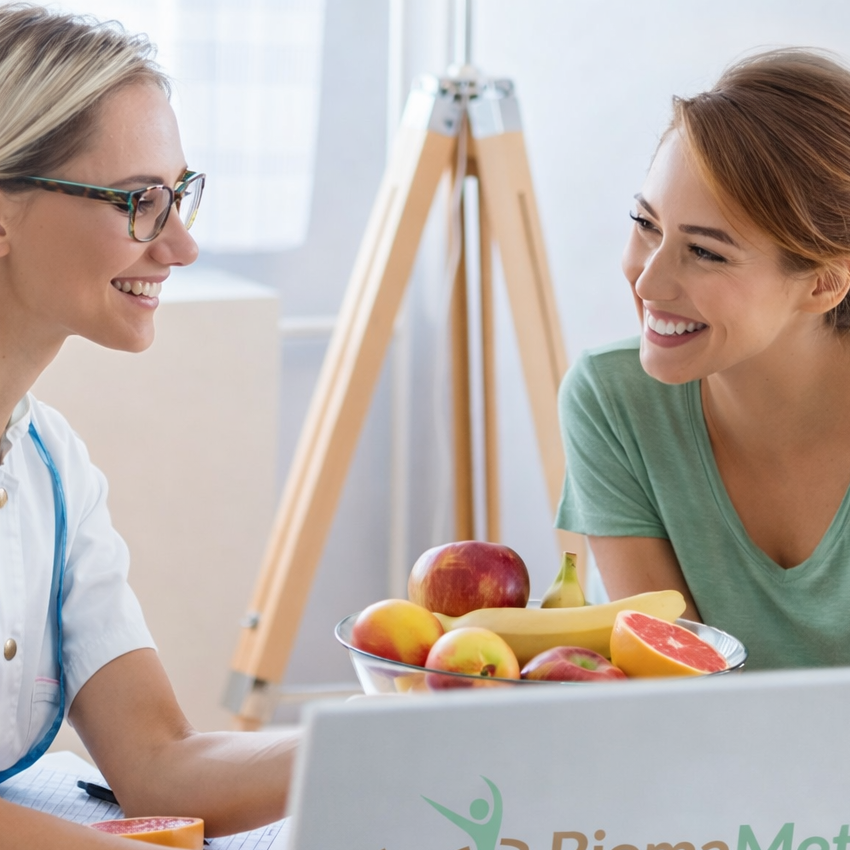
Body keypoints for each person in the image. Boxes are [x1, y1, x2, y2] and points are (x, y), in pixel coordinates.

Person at [0, 5, 297, 845]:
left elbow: (159, 765)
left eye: (178, 197)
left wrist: (395, 739)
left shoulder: (51, 467)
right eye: (138, 201)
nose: (180, 247)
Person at [556, 48, 850, 672]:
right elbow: (673, 684)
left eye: (706, 253)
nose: (647, 282)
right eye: (646, 223)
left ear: (824, 284)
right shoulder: (613, 402)